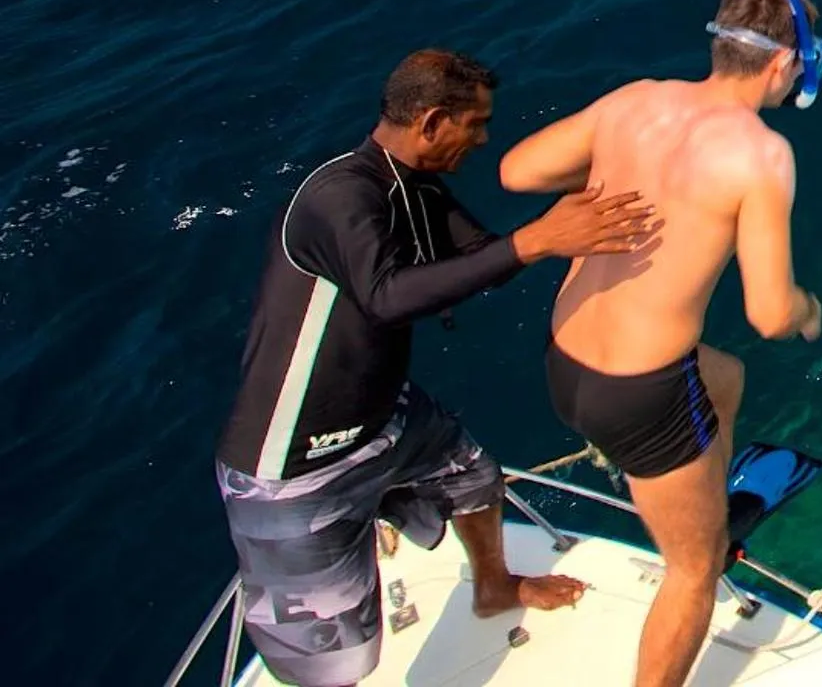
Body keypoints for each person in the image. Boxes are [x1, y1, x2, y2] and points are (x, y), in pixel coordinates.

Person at [216, 50, 661, 687]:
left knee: (475, 478)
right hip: (294, 466)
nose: (481, 140)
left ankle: (494, 586)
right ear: (431, 122)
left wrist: (597, 204)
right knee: (337, 665)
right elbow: (388, 295)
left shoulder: (413, 188)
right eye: (473, 125)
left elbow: (485, 256)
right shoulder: (340, 196)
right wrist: (536, 239)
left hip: (385, 419)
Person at [499, 0, 822, 687]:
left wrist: (616, 175)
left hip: (565, 360)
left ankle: (712, 483)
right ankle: (703, 537)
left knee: (726, 377)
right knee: (693, 572)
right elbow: (769, 313)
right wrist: (809, 310)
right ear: (781, 63)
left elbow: (517, 172)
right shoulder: (762, 154)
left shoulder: (636, 102)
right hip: (642, 397)